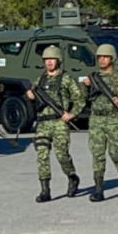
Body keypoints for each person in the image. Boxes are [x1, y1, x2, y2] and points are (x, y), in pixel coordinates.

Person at [25, 46, 82, 203]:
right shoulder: (40, 79)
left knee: (61, 155)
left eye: (52, 59)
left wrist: (71, 114)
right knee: (42, 155)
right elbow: (32, 93)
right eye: (46, 60)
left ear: (58, 60)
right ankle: (45, 190)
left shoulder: (66, 78)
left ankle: (72, 177)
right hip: (43, 123)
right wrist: (30, 95)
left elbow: (79, 98)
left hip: (59, 122)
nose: (49, 62)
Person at [82, 43, 118, 202]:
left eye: (105, 57)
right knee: (97, 154)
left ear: (112, 58)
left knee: (116, 153)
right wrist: (85, 86)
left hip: (113, 118)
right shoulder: (93, 77)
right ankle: (99, 189)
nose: (102, 60)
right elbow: (83, 98)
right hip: (96, 119)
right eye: (99, 57)